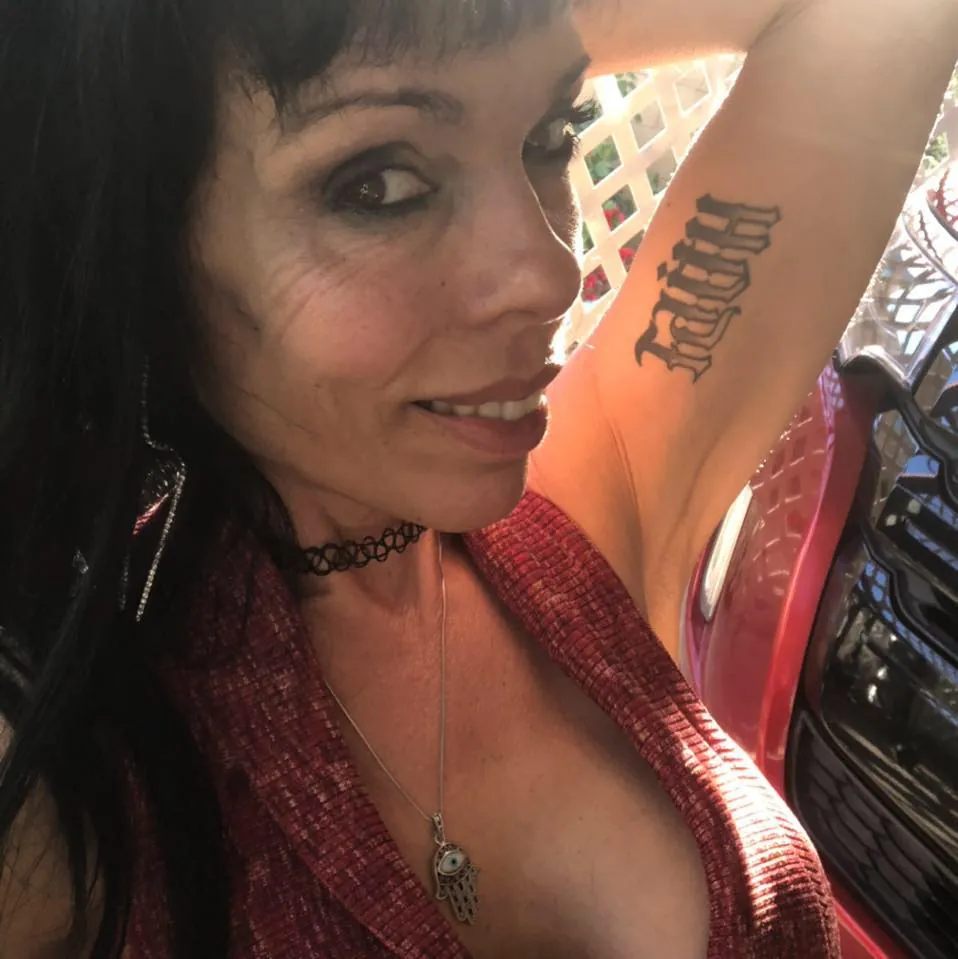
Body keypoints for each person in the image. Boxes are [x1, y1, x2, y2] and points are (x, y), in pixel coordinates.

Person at [0, 0, 955, 956]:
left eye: (551, 134)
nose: (550, 273)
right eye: (379, 185)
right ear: (148, 249)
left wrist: (479, 24)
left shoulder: (588, 511)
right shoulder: (71, 773)